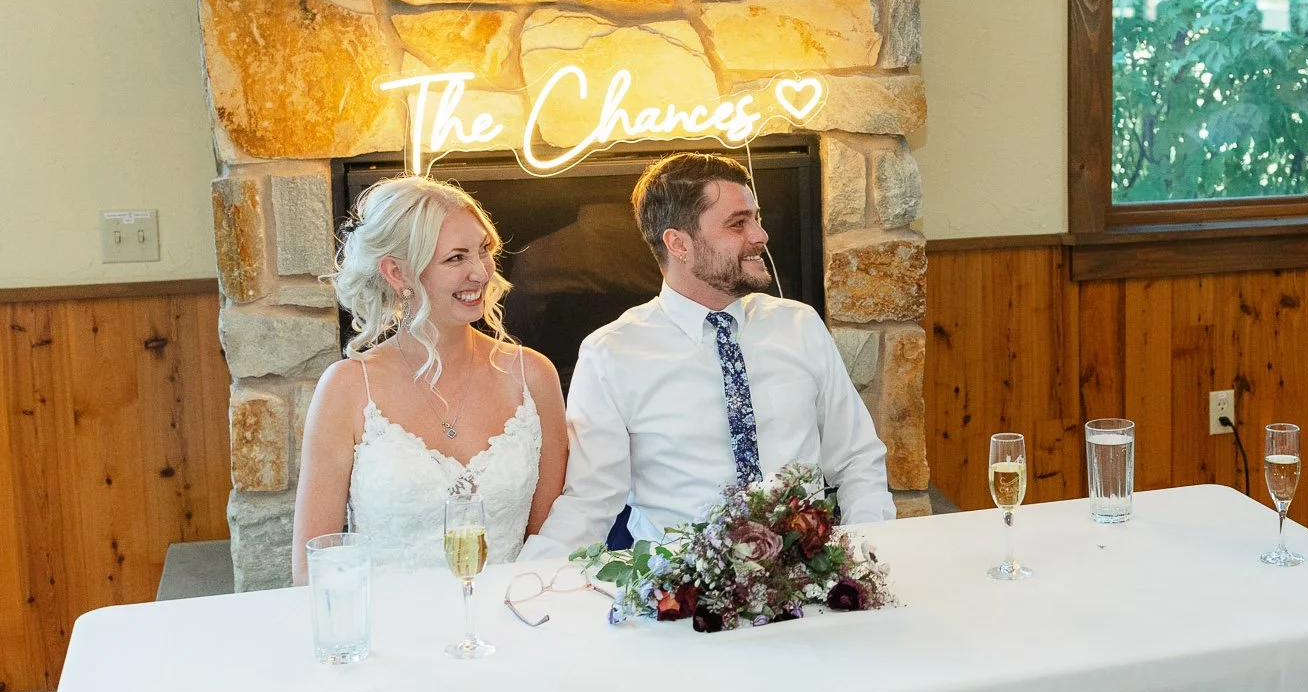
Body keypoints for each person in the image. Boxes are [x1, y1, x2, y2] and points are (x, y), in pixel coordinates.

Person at [521, 151, 894, 560]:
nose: (760, 235)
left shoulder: (800, 326)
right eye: (738, 223)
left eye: (757, 217)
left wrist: (865, 554)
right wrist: (522, 582)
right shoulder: (611, 354)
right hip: (680, 597)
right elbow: (590, 502)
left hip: (808, 576)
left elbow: (858, 458)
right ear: (678, 243)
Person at [293, 177, 570, 582]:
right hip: (387, 631)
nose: (480, 273)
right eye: (455, 258)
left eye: (483, 251)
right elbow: (313, 567)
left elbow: (548, 542)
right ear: (397, 273)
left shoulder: (534, 377)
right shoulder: (348, 389)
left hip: (508, 624)